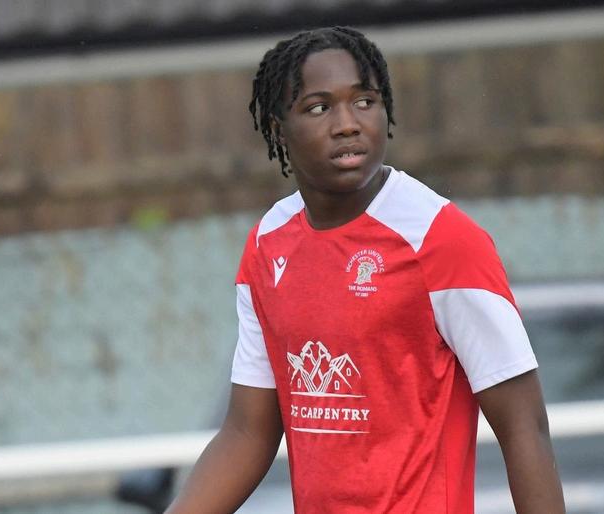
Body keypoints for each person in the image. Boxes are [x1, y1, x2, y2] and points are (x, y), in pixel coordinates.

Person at [166, 26, 564, 514]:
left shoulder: (441, 239)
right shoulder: (268, 244)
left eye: (364, 102)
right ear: (278, 129)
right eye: (319, 108)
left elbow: (524, 427)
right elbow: (248, 432)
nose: (347, 124)